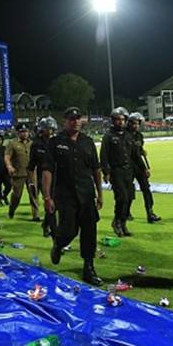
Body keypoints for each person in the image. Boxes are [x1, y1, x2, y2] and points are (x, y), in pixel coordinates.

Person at [42, 107, 104, 286]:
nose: (75, 121)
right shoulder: (55, 142)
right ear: (65, 121)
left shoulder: (88, 142)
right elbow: (47, 170)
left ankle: (89, 267)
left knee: (89, 231)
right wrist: (47, 197)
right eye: (71, 119)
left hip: (86, 194)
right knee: (69, 231)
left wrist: (100, 193)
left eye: (78, 118)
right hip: (65, 195)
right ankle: (59, 244)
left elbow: (96, 169)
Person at [100, 107, 147, 237]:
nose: (120, 122)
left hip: (129, 170)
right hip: (116, 171)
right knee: (122, 197)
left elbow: (135, 155)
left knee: (130, 197)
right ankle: (117, 222)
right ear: (113, 121)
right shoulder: (108, 136)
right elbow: (103, 156)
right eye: (118, 120)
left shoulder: (128, 136)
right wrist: (106, 172)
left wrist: (144, 169)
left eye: (123, 120)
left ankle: (123, 222)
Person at [126, 112, 161, 223]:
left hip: (138, 166)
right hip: (128, 166)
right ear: (129, 123)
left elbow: (138, 150)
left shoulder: (139, 136)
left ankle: (150, 213)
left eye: (137, 123)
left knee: (146, 189)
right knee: (129, 191)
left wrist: (142, 150)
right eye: (134, 123)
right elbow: (134, 154)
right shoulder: (125, 135)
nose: (136, 126)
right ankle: (126, 212)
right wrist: (145, 168)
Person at [28, 116, 59, 238]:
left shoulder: (57, 142)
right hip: (43, 178)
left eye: (52, 129)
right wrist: (31, 183)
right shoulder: (36, 144)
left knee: (55, 205)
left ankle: (46, 224)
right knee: (50, 205)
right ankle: (55, 234)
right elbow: (31, 166)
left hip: (58, 176)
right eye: (49, 129)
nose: (51, 131)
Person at [5, 123, 39, 220]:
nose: (24, 134)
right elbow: (7, 157)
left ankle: (35, 215)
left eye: (26, 131)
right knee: (16, 195)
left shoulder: (32, 144)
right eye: (22, 132)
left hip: (31, 173)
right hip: (18, 173)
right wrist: (9, 166)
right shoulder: (12, 143)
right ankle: (11, 210)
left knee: (34, 194)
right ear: (17, 133)